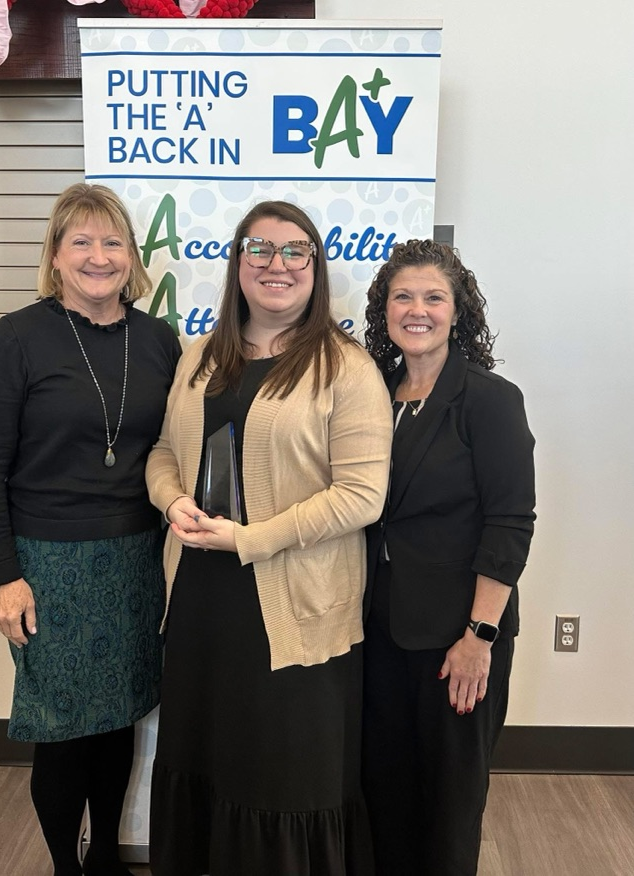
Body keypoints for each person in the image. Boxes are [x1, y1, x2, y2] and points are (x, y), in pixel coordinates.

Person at [144, 200, 392, 876]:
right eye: (259, 249)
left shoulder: (347, 368)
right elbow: (165, 451)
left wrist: (253, 538)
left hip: (293, 611)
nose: (275, 265)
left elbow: (363, 495)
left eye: (293, 252)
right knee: (203, 761)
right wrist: (173, 503)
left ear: (315, 267)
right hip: (200, 601)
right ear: (237, 263)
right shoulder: (200, 355)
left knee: (281, 777)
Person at [0, 183, 181, 876]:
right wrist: (4, 577)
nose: (98, 256)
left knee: (117, 721)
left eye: (112, 241)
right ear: (55, 256)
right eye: (80, 241)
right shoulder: (17, 338)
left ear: (131, 256)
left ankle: (107, 857)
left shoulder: (158, 340)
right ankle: (65, 864)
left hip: (136, 559)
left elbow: (173, 449)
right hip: (46, 566)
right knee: (60, 730)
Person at [361, 239, 536, 875]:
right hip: (377, 631)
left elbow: (511, 522)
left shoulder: (490, 399)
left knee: (449, 803)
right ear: (383, 310)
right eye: (402, 296)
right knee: (384, 794)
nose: (418, 310)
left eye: (434, 297)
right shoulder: (372, 393)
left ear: (458, 311)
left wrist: (479, 636)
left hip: (456, 640)